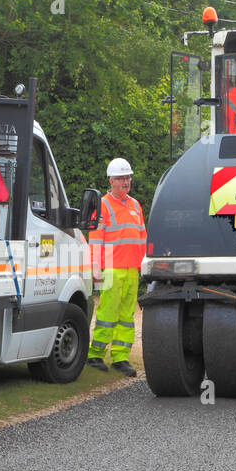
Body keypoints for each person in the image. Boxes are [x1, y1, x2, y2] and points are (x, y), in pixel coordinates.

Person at [87, 157, 146, 377]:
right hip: (111, 266)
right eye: (121, 178)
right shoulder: (102, 204)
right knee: (107, 313)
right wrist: (95, 265)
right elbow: (95, 238)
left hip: (132, 268)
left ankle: (120, 358)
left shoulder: (135, 204)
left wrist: (143, 264)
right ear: (111, 180)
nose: (125, 181)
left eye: (128, 177)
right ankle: (95, 355)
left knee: (126, 316)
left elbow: (142, 236)